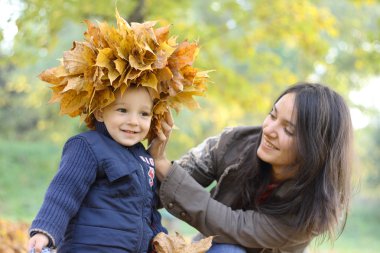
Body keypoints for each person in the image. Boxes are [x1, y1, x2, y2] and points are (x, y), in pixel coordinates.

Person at [28, 10, 210, 253]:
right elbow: (64, 193)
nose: (134, 122)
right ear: (101, 112)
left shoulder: (145, 159)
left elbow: (148, 213)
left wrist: (160, 242)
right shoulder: (88, 146)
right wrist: (44, 231)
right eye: (123, 110)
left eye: (144, 114)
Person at [149, 82, 353, 253]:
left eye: (288, 130)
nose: (269, 130)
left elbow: (232, 226)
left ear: (315, 150)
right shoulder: (234, 143)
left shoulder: (313, 210)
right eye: (272, 116)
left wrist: (164, 166)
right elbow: (165, 186)